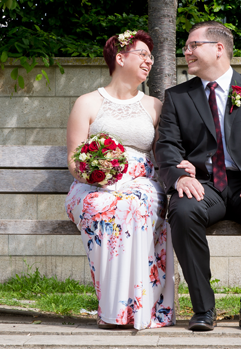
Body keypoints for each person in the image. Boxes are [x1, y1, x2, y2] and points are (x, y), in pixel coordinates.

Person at [154, 21, 241, 332]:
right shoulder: (177, 97)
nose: (186, 51)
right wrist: (178, 177)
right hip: (204, 186)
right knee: (182, 210)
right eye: (186, 46)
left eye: (193, 45)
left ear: (218, 49)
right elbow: (166, 147)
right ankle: (203, 309)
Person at [64, 30, 193, 330]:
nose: (149, 61)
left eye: (151, 56)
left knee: (135, 204)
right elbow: (73, 157)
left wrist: (180, 164)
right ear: (120, 58)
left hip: (142, 183)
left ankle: (139, 309)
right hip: (93, 184)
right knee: (103, 206)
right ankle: (113, 310)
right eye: (143, 54)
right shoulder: (86, 103)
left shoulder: (154, 106)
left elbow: (166, 152)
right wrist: (95, 174)